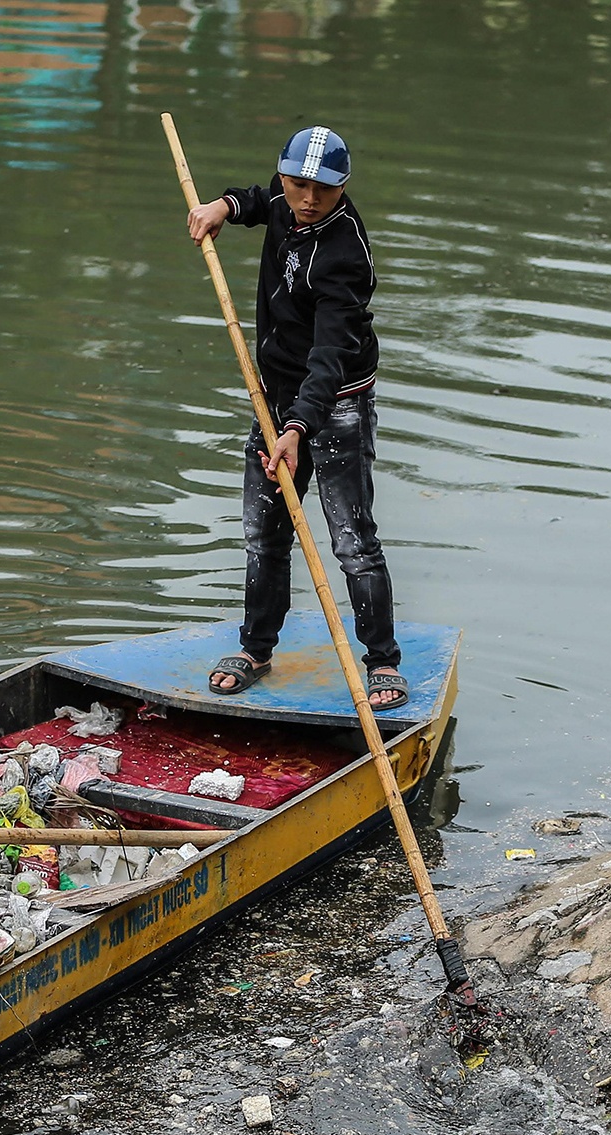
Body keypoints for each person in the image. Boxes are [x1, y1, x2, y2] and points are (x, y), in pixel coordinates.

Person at [185, 125, 405, 712]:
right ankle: (256, 648)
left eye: (324, 189)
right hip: (275, 397)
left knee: (352, 541)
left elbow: (330, 355)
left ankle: (382, 659)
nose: (307, 199)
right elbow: (259, 200)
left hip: (334, 405)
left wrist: (298, 429)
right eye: (297, 183)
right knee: (264, 534)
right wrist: (223, 207)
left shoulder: (345, 257)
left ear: (343, 187)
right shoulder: (283, 204)